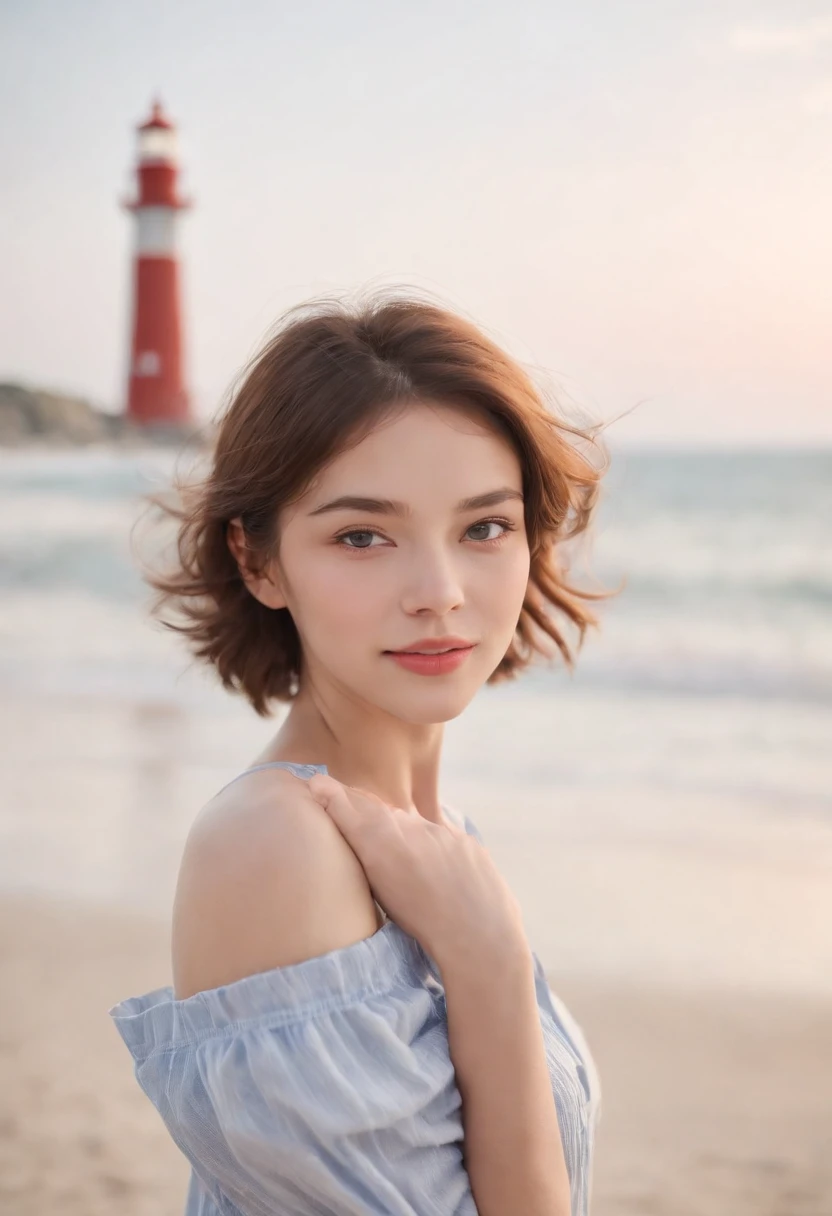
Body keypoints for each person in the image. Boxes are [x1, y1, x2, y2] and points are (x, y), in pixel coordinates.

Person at [109, 287, 610, 1216]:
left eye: (485, 527)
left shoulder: (433, 840)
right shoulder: (274, 848)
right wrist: (489, 963)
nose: (440, 591)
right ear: (258, 562)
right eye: (362, 536)